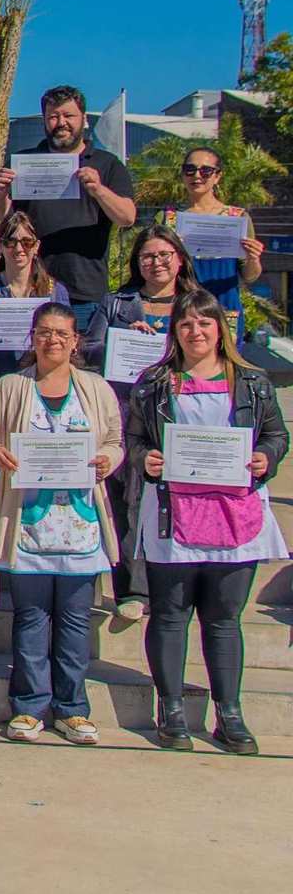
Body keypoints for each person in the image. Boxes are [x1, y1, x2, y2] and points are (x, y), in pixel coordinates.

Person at [125, 289, 288, 754]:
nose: (196, 332)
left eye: (204, 323)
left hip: (235, 514)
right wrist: (145, 458)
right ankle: (171, 708)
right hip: (174, 514)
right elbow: (133, 438)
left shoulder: (253, 382)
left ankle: (229, 713)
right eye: (186, 324)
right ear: (174, 332)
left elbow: (277, 434)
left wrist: (265, 457)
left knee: (223, 619)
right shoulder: (155, 381)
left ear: (220, 328)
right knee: (171, 615)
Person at [0, 302, 122, 746]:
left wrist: (106, 461)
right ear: (32, 337)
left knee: (76, 619)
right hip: (27, 524)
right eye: (44, 332)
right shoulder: (9, 387)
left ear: (76, 341)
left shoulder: (96, 389)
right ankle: (29, 706)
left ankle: (73, 709)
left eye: (61, 333)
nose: (52, 340)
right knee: (31, 617)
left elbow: (115, 441)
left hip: (80, 524)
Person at [86, 224, 200, 620]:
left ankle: (173, 585)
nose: (156, 262)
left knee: (174, 498)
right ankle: (129, 589)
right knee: (124, 500)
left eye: (164, 254)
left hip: (182, 413)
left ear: (180, 258)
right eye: (147, 256)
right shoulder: (117, 302)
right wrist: (121, 336)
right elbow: (88, 349)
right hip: (125, 408)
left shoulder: (196, 302)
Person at [0, 211, 69, 611]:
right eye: (11, 242)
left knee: (35, 485)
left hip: (43, 400)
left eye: (26, 242)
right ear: (0, 247)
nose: (19, 249)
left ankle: (32, 566)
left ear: (36, 246)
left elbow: (70, 345)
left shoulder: (54, 291)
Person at [0, 84, 137, 331]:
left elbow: (127, 217)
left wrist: (98, 189)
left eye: (68, 116)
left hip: (85, 293)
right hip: (31, 288)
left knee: (84, 363)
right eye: (53, 117)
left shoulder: (107, 164)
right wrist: (0, 191)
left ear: (84, 119)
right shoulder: (24, 162)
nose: (61, 122)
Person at [158, 144, 264, 345]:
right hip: (181, 308)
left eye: (206, 171)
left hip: (224, 309)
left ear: (217, 176)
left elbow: (250, 275)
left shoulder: (238, 218)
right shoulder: (167, 218)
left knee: (223, 370)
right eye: (190, 169)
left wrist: (253, 257)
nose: (197, 175)